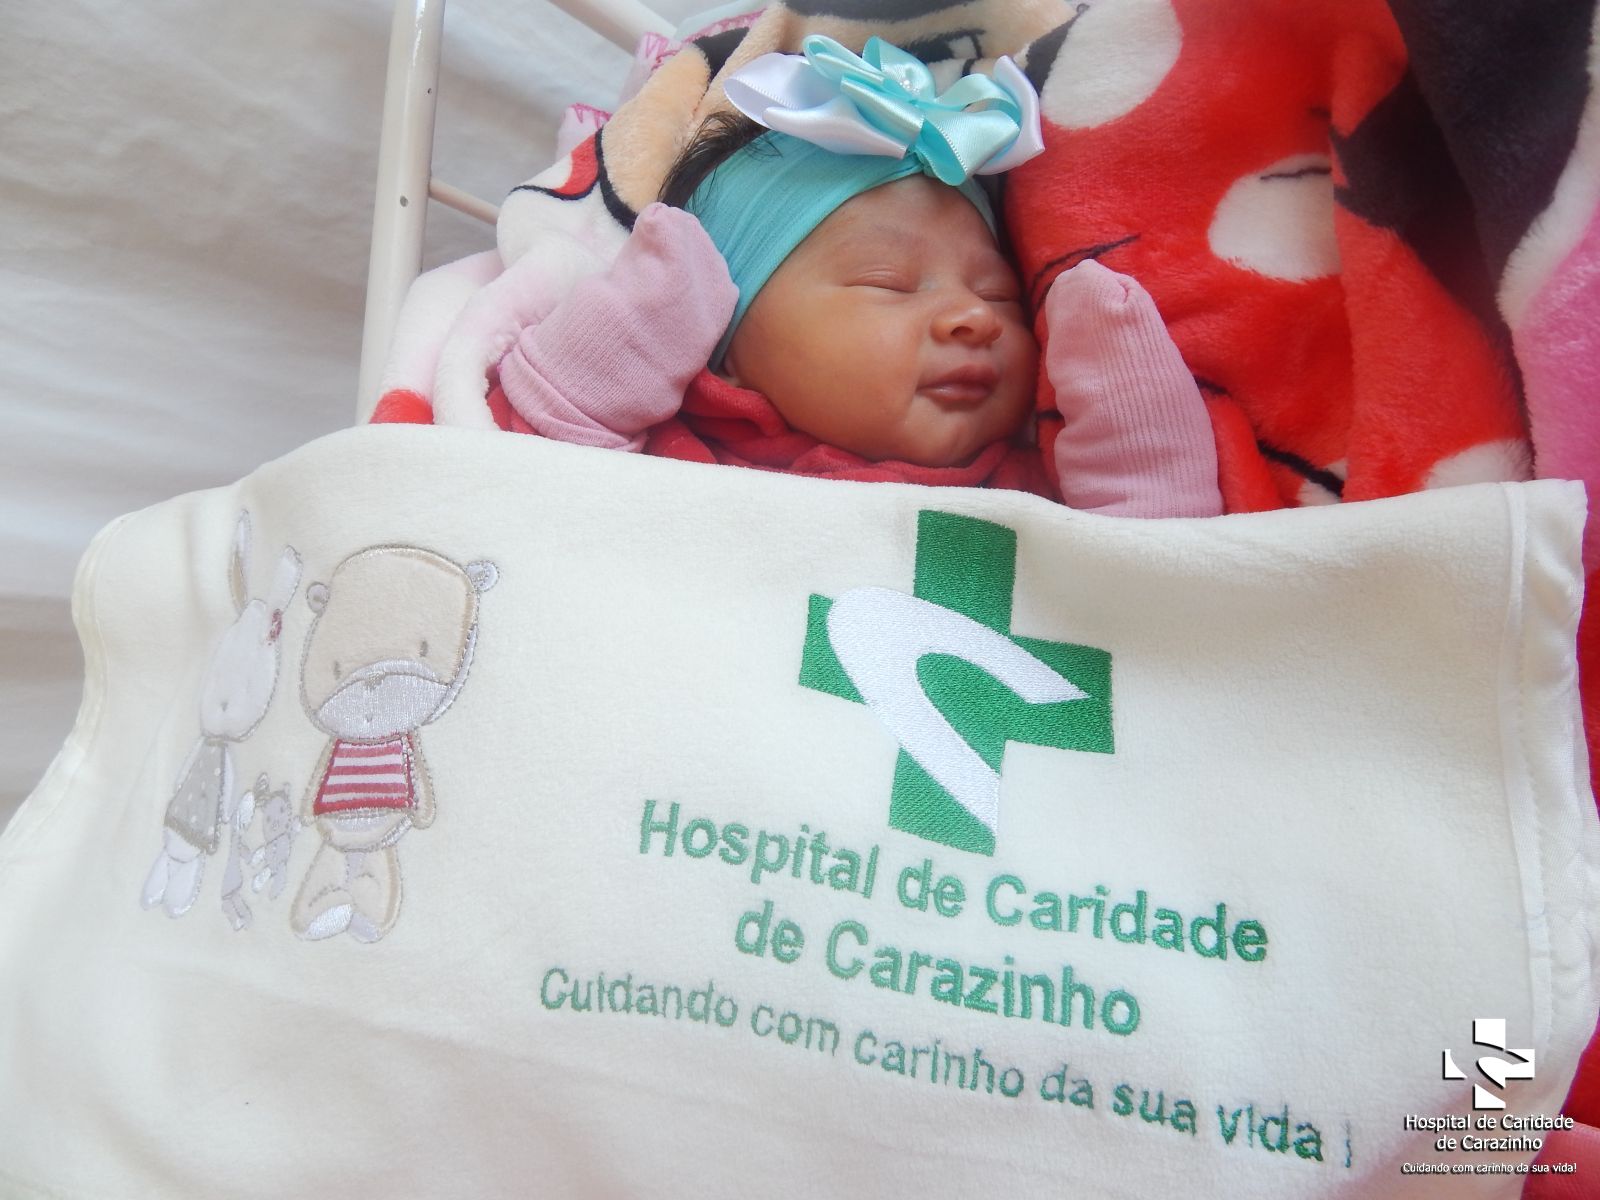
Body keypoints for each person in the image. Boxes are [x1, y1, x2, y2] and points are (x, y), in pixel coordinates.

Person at [489, 37, 1222, 516]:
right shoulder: (679, 466)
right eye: (888, 282)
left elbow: (1158, 577)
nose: (975, 317)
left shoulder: (1031, 496)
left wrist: (1132, 421)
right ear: (723, 336)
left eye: (998, 292)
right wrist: (635, 331)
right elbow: (518, 480)